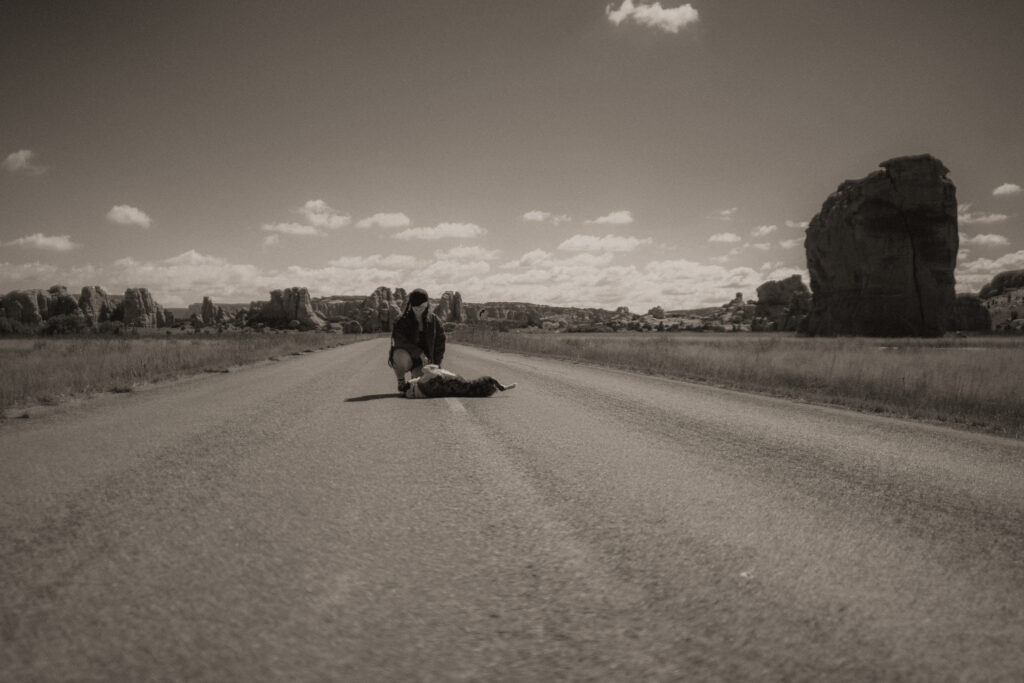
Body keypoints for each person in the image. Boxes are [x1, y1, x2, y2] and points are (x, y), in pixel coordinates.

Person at [389, 288, 446, 393]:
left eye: (421, 307)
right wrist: (419, 353)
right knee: (398, 354)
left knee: (423, 385)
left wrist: (436, 365)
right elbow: (399, 341)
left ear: (426, 304)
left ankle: (414, 377)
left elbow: (440, 345)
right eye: (415, 308)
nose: (418, 311)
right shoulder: (401, 320)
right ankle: (401, 381)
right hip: (407, 357)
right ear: (411, 305)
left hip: (424, 363)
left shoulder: (434, 320)